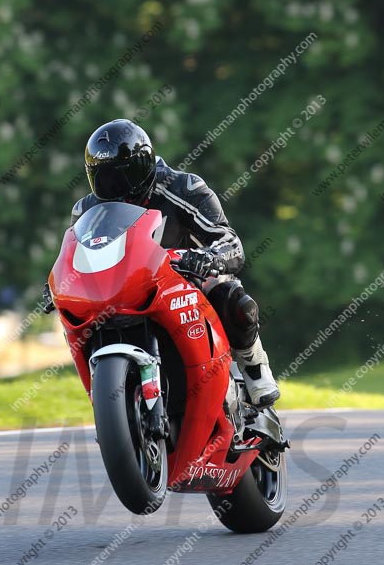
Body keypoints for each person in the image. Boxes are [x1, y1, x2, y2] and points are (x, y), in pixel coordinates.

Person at [44, 119, 280, 407]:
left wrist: (207, 258)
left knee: (228, 294)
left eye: (123, 176)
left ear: (144, 166)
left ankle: (254, 366)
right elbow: (76, 255)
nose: (116, 187)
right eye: (104, 178)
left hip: (185, 280)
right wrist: (56, 287)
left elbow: (230, 242)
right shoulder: (86, 209)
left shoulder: (183, 187)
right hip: (124, 288)